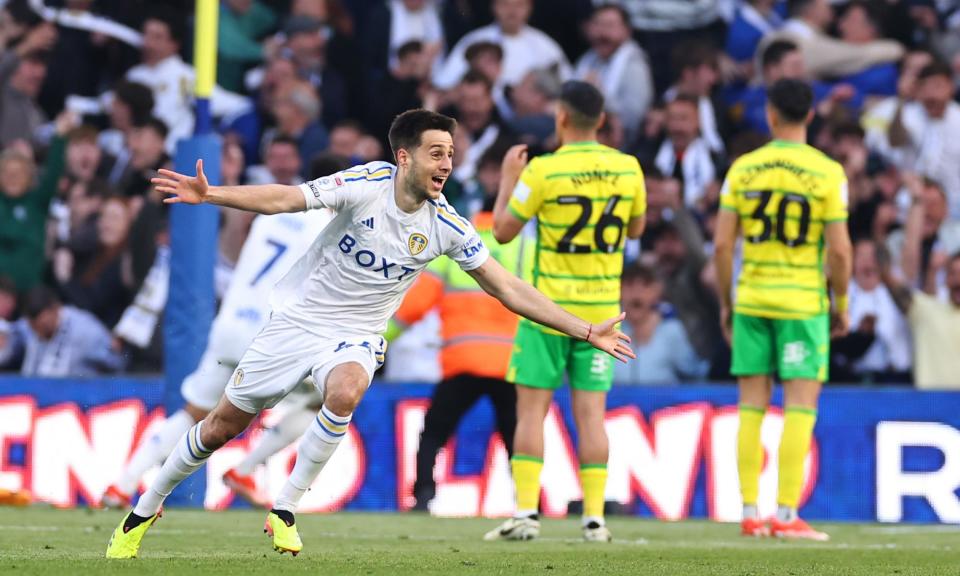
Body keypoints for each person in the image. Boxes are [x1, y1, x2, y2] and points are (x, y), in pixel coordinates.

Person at [105, 109, 634, 559]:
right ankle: (143, 509)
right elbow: (287, 199)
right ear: (405, 156)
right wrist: (213, 194)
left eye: (450, 154)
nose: (446, 164)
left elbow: (507, 287)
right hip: (296, 322)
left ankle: (284, 507)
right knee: (221, 427)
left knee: (347, 389)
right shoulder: (364, 186)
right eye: (435, 153)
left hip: (355, 334)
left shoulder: (447, 225)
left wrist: (585, 328)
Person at [485, 81, 646, 543]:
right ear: (600, 120)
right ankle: (594, 518)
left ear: (560, 117)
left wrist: (509, 181)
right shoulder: (628, 167)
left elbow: (502, 231)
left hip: (548, 312)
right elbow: (635, 228)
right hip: (604, 315)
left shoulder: (545, 171)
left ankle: (525, 514)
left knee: (531, 412)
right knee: (592, 415)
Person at [100, 198, 333, 509]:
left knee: (194, 412)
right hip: (270, 332)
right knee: (328, 399)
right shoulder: (328, 226)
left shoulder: (272, 214)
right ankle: (245, 470)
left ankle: (122, 484)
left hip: (231, 324)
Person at [713, 77, 852, 541]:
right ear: (811, 114)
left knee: (750, 407)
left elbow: (721, 244)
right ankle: (787, 513)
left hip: (752, 297)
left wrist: (726, 304)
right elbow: (840, 251)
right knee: (799, 408)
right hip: (801, 303)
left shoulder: (743, 169)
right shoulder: (827, 172)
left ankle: (750, 512)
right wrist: (842, 300)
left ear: (771, 114)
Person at [392, 165, 531, 510]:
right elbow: (540, 302)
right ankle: (529, 502)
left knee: (435, 432)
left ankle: (424, 495)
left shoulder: (457, 238)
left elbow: (418, 302)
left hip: (463, 360)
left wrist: (379, 338)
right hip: (508, 362)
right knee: (516, 437)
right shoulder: (525, 246)